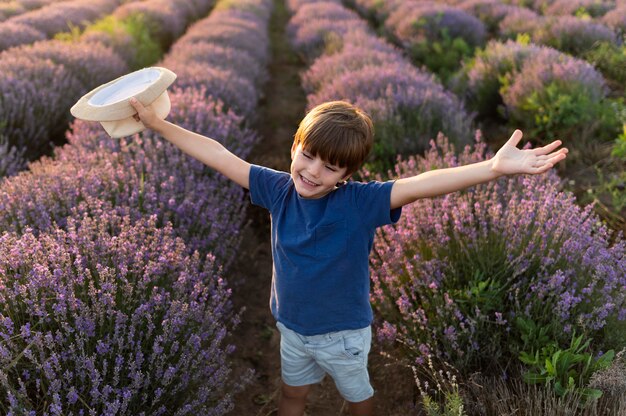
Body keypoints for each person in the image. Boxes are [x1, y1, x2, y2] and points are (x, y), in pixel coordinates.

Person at [129, 98, 568, 416]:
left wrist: (491, 168)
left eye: (330, 167)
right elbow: (218, 154)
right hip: (292, 325)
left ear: (347, 175)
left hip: (343, 334)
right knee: (292, 394)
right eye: (308, 156)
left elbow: (423, 182)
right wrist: (157, 124)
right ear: (295, 148)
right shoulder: (278, 189)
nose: (313, 172)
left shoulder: (359, 203)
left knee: (357, 396)